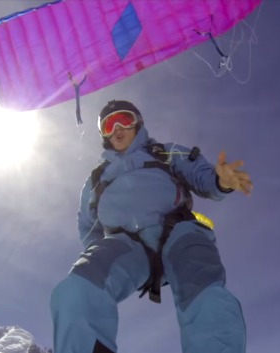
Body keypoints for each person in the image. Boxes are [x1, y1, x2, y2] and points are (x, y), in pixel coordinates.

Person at [50, 100, 253, 353]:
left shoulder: (164, 152)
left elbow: (202, 176)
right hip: (126, 246)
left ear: (137, 123)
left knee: (205, 295)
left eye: (123, 120)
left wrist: (221, 182)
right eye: (108, 125)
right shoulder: (96, 179)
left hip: (178, 232)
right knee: (76, 289)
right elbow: (89, 227)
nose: (117, 129)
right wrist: (101, 255)